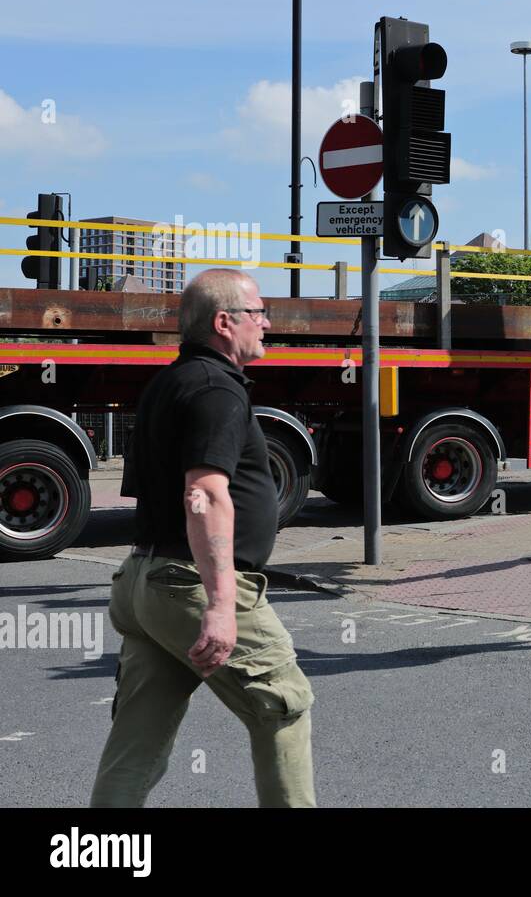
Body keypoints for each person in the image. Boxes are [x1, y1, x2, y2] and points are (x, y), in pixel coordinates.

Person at [91, 269, 316, 807]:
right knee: (283, 705)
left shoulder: (170, 382)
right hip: (191, 586)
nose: (266, 324)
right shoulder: (219, 390)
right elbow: (205, 495)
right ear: (224, 322)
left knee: (137, 740)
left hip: (145, 583)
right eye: (258, 312)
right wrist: (220, 604)